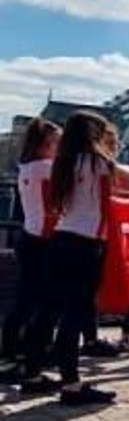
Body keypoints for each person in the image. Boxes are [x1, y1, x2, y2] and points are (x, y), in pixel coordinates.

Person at [35, 111, 129, 405]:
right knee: (76, 315)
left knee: (56, 312)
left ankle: (42, 374)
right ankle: (72, 385)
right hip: (87, 244)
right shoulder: (97, 160)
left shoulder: (64, 162)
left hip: (63, 240)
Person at [1, 119, 61, 384]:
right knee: (39, 302)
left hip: (29, 235)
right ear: (45, 143)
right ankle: (21, 355)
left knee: (26, 301)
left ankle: (11, 354)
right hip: (43, 240)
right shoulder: (46, 168)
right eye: (57, 142)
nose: (60, 147)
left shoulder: (28, 167)